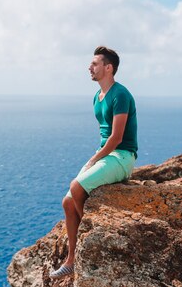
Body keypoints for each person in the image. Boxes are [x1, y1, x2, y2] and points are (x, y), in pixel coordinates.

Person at [49, 46, 138, 279]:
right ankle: (71, 260)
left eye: (95, 64)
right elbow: (104, 134)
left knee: (76, 186)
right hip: (106, 154)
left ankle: (89, 234)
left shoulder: (121, 95)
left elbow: (117, 138)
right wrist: (97, 156)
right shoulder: (97, 97)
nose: (90, 67)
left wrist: (94, 159)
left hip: (122, 156)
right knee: (68, 202)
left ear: (109, 68)